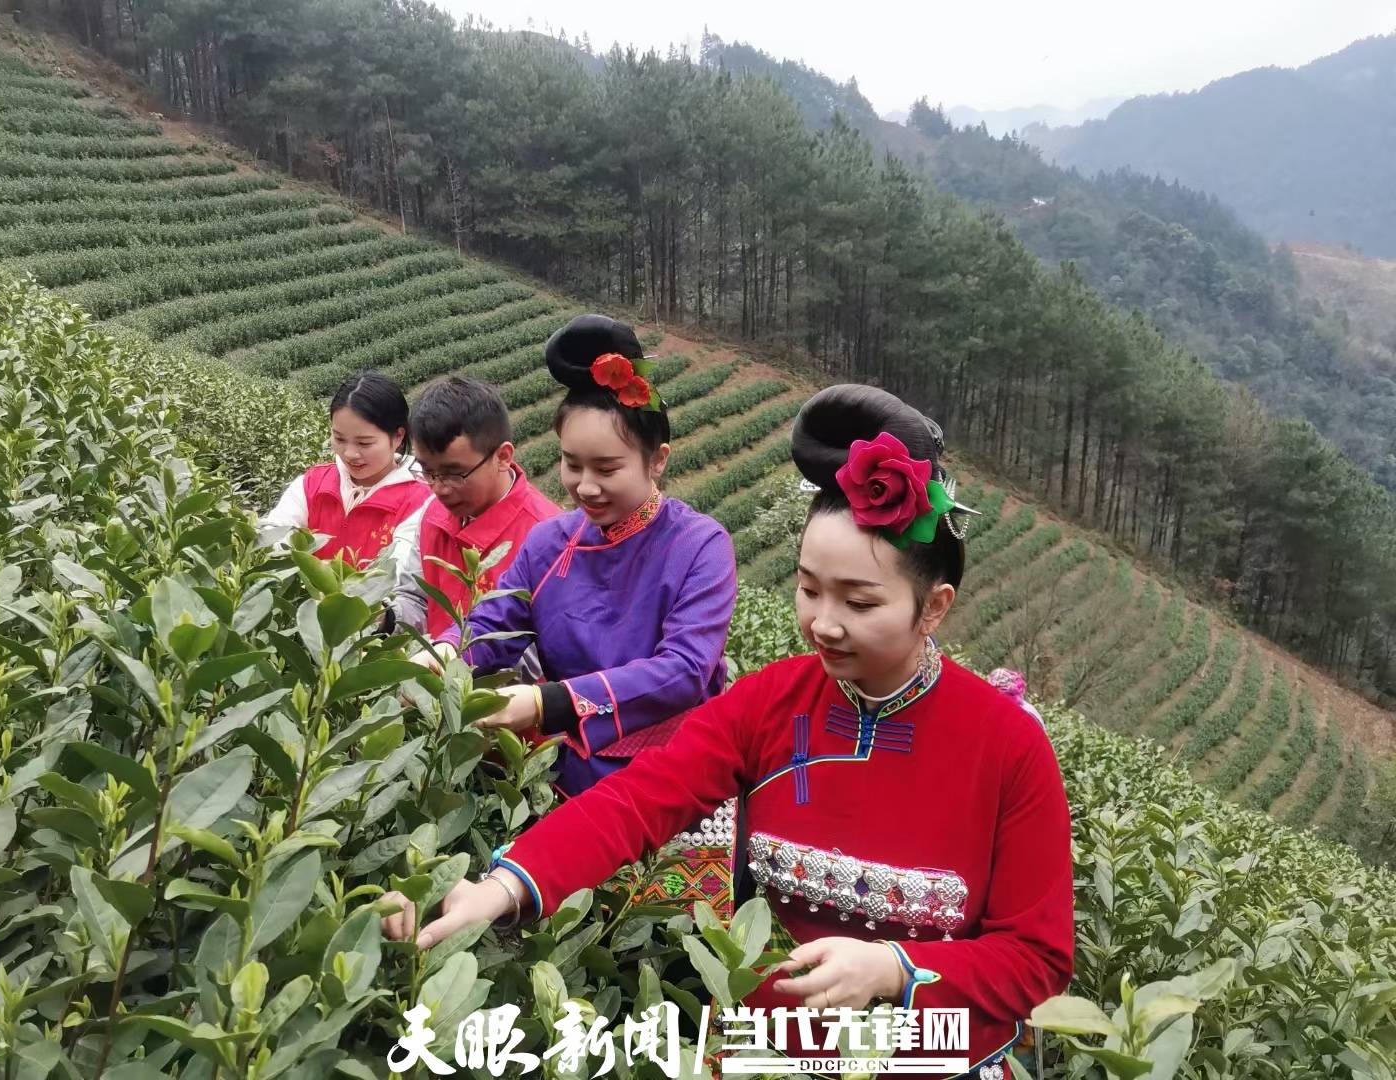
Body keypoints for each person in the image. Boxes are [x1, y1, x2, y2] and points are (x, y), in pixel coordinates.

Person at [383, 384, 1074, 1078]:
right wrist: (506, 886)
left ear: (934, 608)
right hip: (763, 1052)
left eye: (859, 601)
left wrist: (898, 969)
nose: (824, 623)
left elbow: (1036, 959)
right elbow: (642, 798)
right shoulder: (773, 702)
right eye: (809, 590)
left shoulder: (1007, 745)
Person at [427, 313, 738, 798]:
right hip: (571, 772)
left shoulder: (699, 545)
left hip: (674, 780)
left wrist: (547, 701)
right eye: (572, 464)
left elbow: (685, 670)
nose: (585, 487)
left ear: (657, 460)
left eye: (607, 468)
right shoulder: (549, 541)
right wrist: (444, 652)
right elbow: (494, 622)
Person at [389, 375, 560, 637]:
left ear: (502, 457)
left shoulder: (548, 537)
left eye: (454, 473)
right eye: (427, 470)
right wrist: (386, 618)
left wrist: (459, 654)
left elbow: (549, 645)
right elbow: (417, 598)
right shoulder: (432, 515)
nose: (439, 488)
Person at [259, 370, 428, 567]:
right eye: (339, 438)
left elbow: (394, 577)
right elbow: (273, 539)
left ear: (398, 436)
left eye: (364, 443)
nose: (349, 453)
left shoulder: (420, 502)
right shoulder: (312, 485)